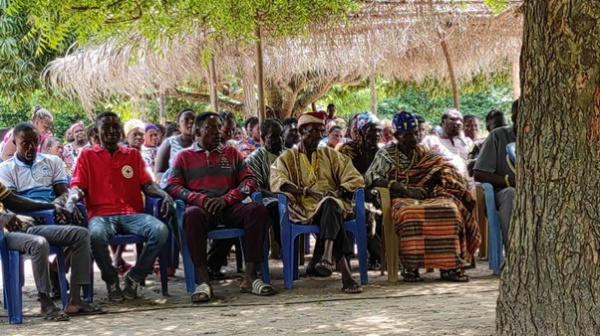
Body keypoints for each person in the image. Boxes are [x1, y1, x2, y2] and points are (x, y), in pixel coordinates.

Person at [166, 112, 276, 302]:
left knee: (258, 210)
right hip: (202, 207)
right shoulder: (183, 157)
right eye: (211, 128)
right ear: (197, 131)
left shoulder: (231, 153)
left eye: (219, 127)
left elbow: (249, 180)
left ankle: (250, 276)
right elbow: (172, 186)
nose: (218, 132)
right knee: (191, 216)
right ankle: (203, 281)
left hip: (229, 205)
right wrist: (197, 199)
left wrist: (228, 198)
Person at [66, 111, 174, 301]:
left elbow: (147, 185)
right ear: (97, 131)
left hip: (132, 214)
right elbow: (79, 186)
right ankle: (111, 279)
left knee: (160, 230)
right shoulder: (87, 155)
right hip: (101, 214)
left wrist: (163, 194)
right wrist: (72, 198)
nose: (112, 131)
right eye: (106, 127)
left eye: (115, 126)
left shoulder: (132, 154)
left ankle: (134, 277)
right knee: (96, 235)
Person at [0, 123, 101, 320]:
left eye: (34, 142)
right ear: (14, 143)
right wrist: (47, 208)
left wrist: (58, 207)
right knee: (39, 243)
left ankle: (75, 299)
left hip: (44, 218)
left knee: (81, 233)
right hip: (20, 225)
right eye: (24, 143)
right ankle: (46, 303)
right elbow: (15, 204)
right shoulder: (6, 169)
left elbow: (61, 193)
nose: (30, 147)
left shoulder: (51, 161)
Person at [365, 111, 480, 283]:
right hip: (401, 198)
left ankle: (449, 267)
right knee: (409, 214)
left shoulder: (424, 151)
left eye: (414, 134)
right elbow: (371, 177)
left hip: (428, 195)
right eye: (406, 136)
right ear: (397, 136)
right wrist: (404, 189)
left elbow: (439, 170)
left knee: (450, 210)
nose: (412, 139)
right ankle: (411, 268)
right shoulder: (387, 153)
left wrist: (433, 184)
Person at [270, 111, 364, 294]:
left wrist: (339, 190)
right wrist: (306, 191)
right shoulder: (287, 157)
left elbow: (354, 177)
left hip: (332, 203)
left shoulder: (330, 154)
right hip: (301, 207)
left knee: (330, 203)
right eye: (313, 131)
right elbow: (277, 181)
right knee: (332, 210)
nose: (318, 136)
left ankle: (329, 258)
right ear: (301, 132)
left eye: (321, 131)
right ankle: (339, 269)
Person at [338, 111, 383, 270]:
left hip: (374, 195)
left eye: (379, 131)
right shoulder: (347, 150)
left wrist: (376, 190)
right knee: (367, 210)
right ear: (362, 132)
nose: (377, 134)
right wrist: (364, 189)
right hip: (349, 196)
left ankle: (382, 254)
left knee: (386, 207)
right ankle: (376, 255)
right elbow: (344, 177)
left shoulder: (381, 152)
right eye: (372, 130)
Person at [473, 101, 518, 248]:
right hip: (502, 192)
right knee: (511, 194)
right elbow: (479, 174)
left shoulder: (544, 138)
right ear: (513, 116)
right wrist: (509, 181)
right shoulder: (498, 136)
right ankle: (513, 253)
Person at [246, 119, 285, 249]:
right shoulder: (255, 158)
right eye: (274, 136)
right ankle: (285, 248)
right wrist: (280, 197)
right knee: (276, 207)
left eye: (281, 135)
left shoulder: (288, 155)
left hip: (292, 198)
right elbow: (256, 188)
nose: (279, 139)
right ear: (263, 138)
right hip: (267, 199)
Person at [155, 108, 195, 181]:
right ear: (179, 127)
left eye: (193, 119)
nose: (191, 121)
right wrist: (174, 181)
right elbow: (158, 173)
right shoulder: (169, 143)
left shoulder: (202, 143)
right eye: (186, 119)